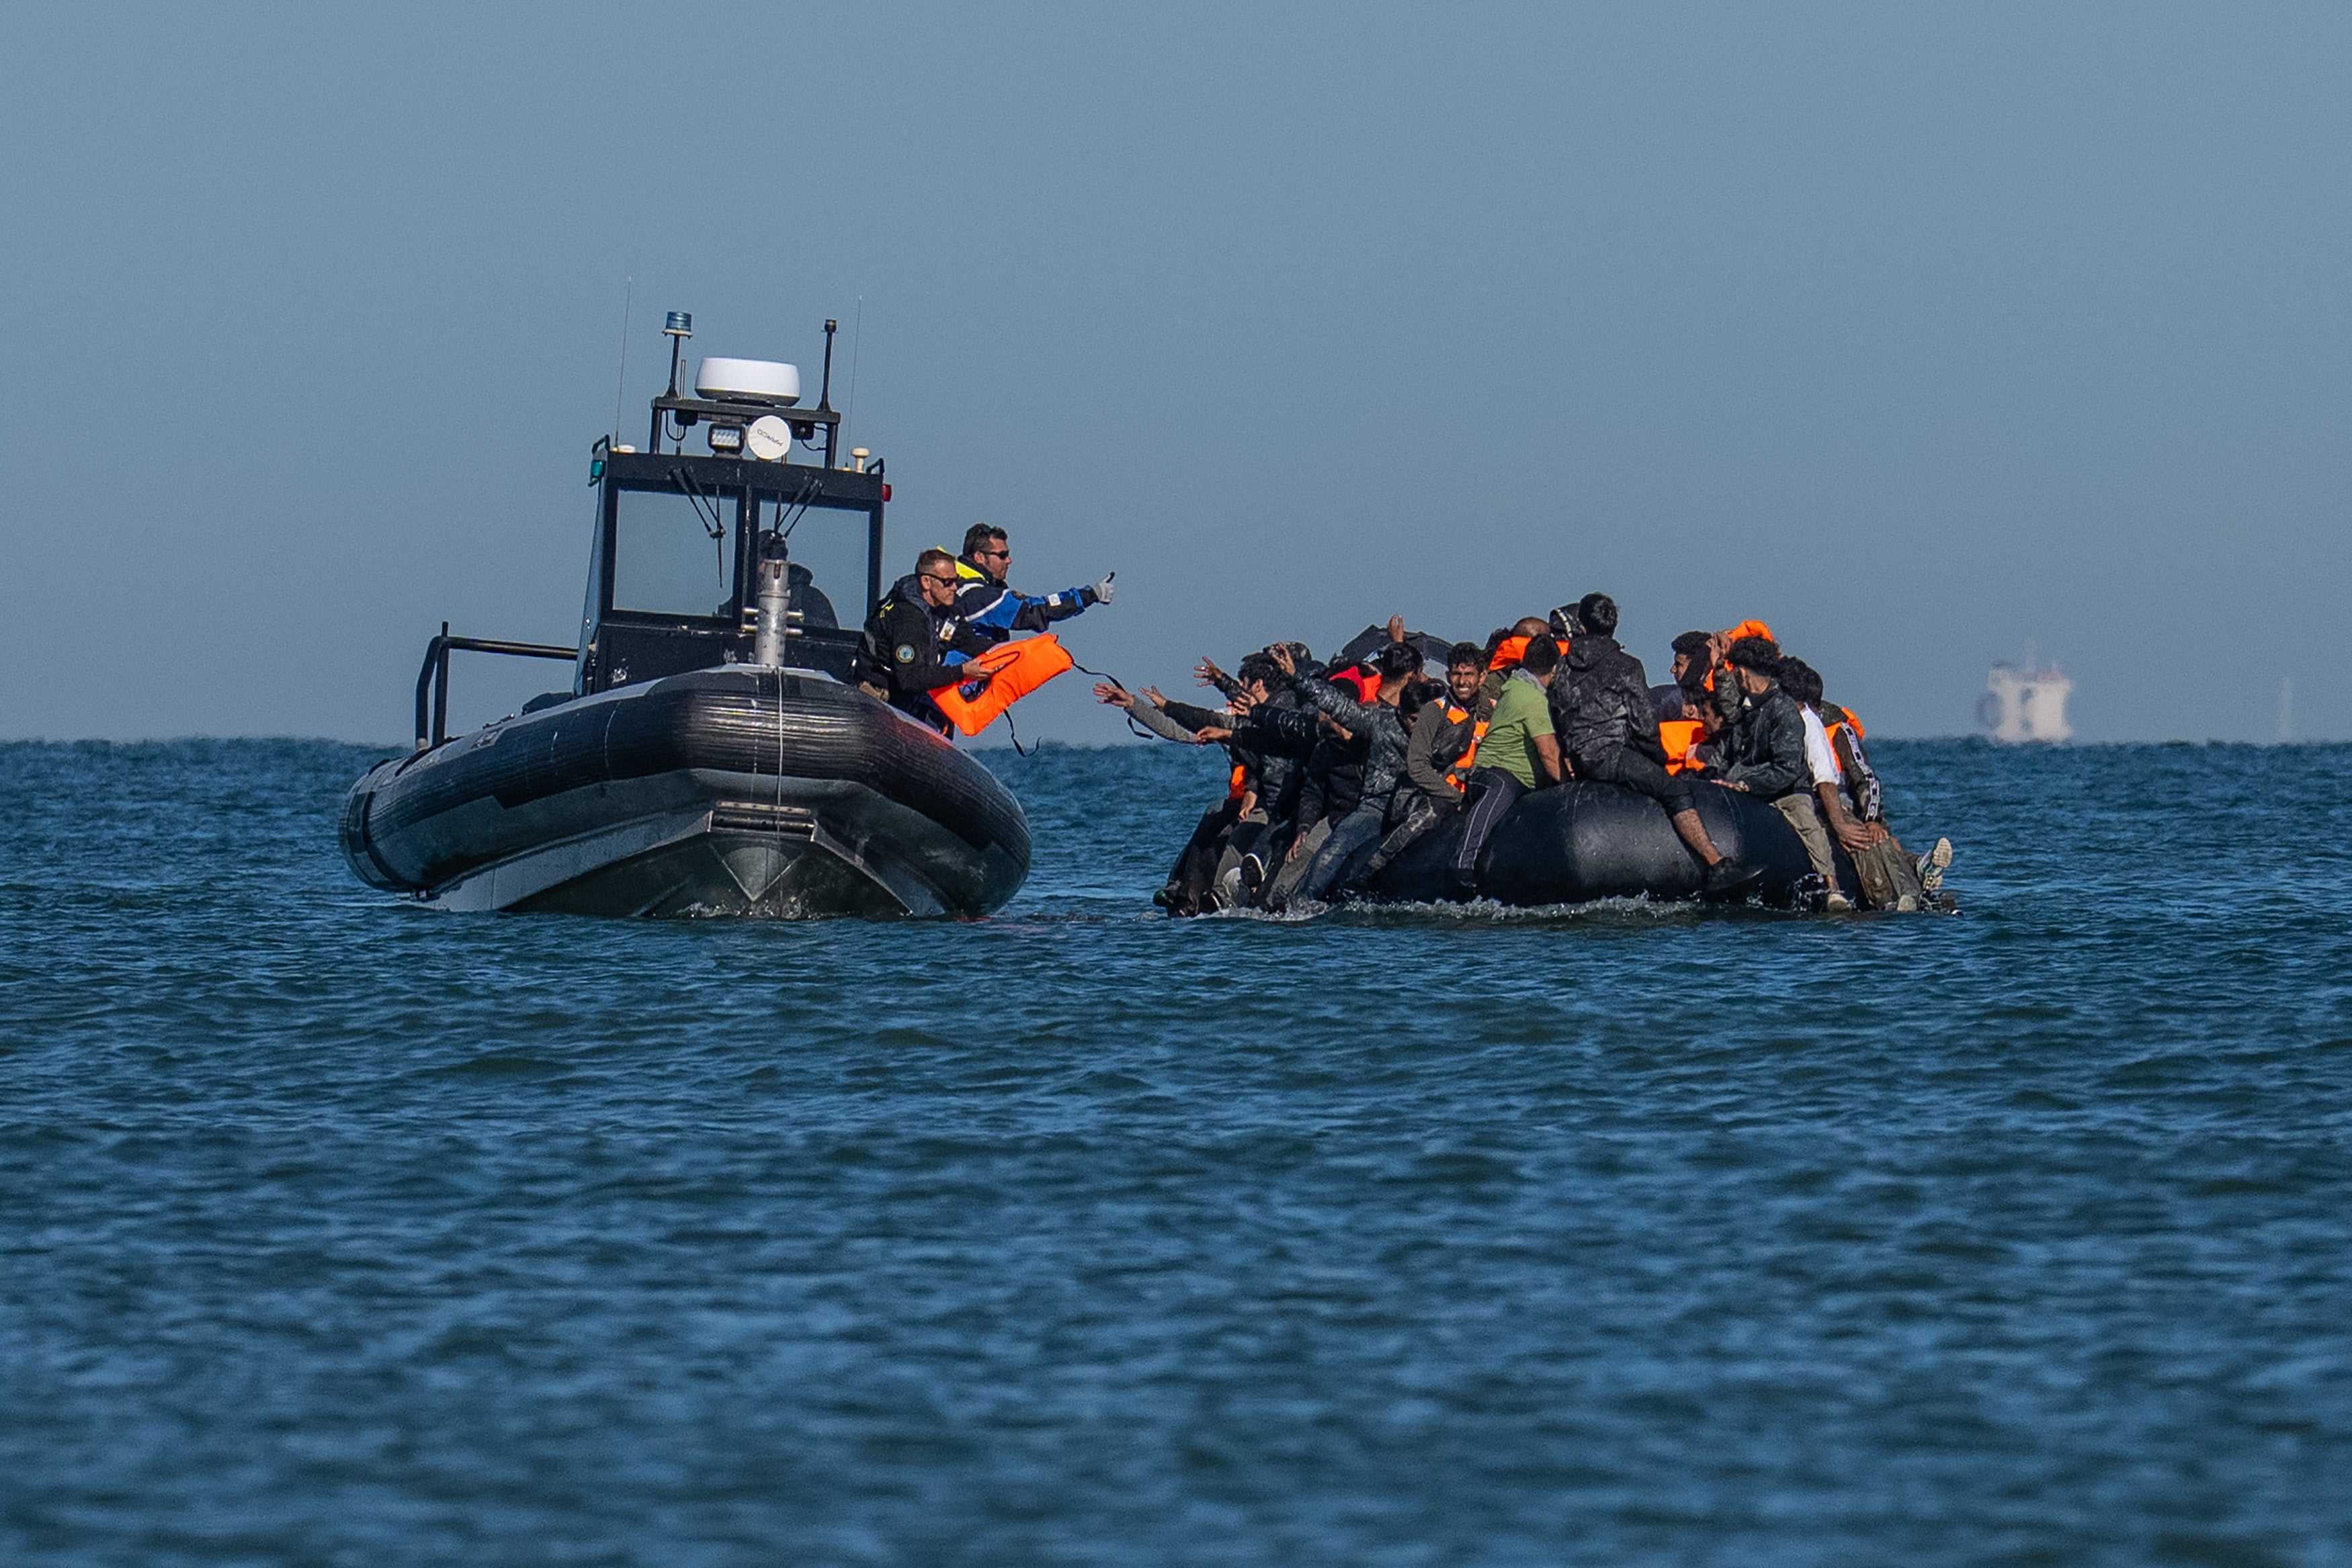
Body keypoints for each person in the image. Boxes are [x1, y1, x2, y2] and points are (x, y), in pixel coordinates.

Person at [1549, 593, 1757, 897]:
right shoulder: (1626, 666)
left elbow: (1557, 712)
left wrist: (1569, 754)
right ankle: (1716, 865)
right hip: (1610, 755)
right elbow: (1644, 727)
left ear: (1582, 625)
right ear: (1613, 625)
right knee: (1675, 790)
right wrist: (1658, 760)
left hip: (1579, 754)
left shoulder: (1564, 667)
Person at [1361, 642, 1488, 879]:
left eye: (1469, 675)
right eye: (1457, 675)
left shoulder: (1492, 710)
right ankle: (1371, 869)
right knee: (1425, 818)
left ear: (1482, 678)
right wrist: (1455, 797)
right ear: (1448, 676)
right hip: (1442, 793)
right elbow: (1417, 766)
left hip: (1481, 789)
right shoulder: (1434, 711)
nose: (1462, 682)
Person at [1450, 633, 1564, 897]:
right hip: (1492, 773)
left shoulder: (1520, 687)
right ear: (1554, 669)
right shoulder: (1531, 699)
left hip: (1525, 779)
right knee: (1501, 789)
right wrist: (1570, 785)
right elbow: (1548, 753)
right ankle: (1463, 864)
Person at [854, 549, 995, 730]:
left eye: (956, 581)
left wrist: (1002, 652)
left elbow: (967, 640)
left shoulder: (944, 610)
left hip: (909, 695)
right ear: (926, 582)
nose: (955, 587)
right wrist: (963, 672)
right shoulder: (909, 619)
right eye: (948, 582)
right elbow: (910, 678)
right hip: (881, 694)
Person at [952, 524, 1115, 647]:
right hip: (957, 686)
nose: (1009, 561)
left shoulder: (956, 586)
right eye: (1003, 555)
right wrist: (1090, 595)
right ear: (979, 557)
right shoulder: (979, 596)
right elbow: (1034, 611)